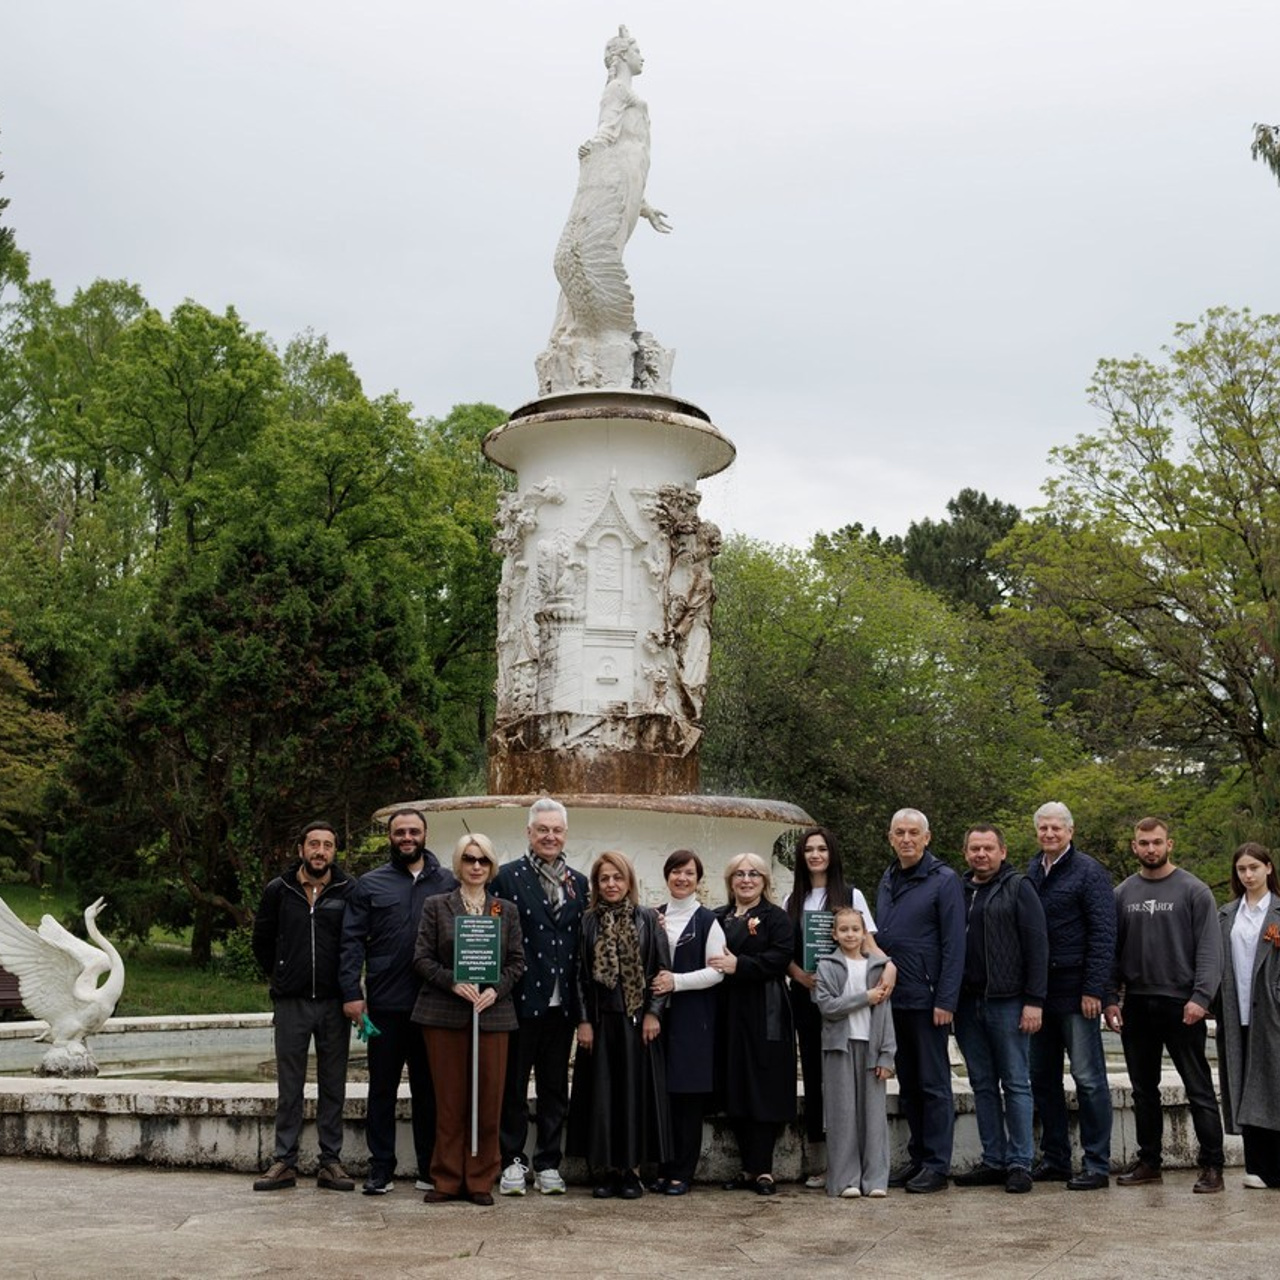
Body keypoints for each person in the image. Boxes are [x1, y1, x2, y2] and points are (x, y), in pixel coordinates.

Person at [538, 25, 673, 394]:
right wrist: (591, 147)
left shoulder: (628, 92)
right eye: (637, 50)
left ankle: (582, 323)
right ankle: (577, 327)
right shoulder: (616, 90)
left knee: (611, 251)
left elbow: (634, 153)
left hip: (630, 181)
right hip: (616, 176)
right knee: (600, 251)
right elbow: (607, 130)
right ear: (621, 55)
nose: (642, 56)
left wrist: (644, 207)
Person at [340, 808, 457, 1195]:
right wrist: (352, 994)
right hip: (386, 1005)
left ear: (426, 834)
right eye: (400, 832)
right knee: (382, 1090)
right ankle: (381, 1168)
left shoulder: (449, 882)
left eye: (414, 831)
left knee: (430, 1090)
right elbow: (351, 942)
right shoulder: (369, 885)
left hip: (435, 1006)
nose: (407, 837)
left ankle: (429, 1166)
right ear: (390, 837)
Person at [1103, 817, 1224, 1193]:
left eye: (1157, 842)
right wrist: (1110, 997)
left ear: (1169, 844)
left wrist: (1201, 998)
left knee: (1199, 1087)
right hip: (1137, 1002)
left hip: (1182, 1003)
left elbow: (1210, 949)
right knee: (1143, 1089)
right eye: (1143, 842)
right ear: (1133, 846)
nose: (1150, 848)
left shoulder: (1194, 890)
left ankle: (1212, 1166)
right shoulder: (1122, 893)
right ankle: (1149, 1162)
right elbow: (1111, 951)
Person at [411, 834, 525, 1206]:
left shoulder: (504, 910)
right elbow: (422, 958)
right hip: (444, 1014)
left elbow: (516, 962)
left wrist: (497, 989)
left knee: (488, 1100)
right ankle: (446, 1178)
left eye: (484, 861)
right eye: (469, 859)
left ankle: (479, 1179)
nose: (476, 866)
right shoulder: (436, 905)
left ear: (491, 868)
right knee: (448, 1100)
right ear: (458, 864)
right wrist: (452, 982)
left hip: (492, 1015)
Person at [250, 820, 356, 1192]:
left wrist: (351, 991)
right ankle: (284, 1161)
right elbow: (261, 941)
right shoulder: (278, 891)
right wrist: (282, 974)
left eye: (328, 845)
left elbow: (355, 943)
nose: (320, 851)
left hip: (333, 1003)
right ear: (301, 849)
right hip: (292, 1001)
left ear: (334, 852)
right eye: (314, 844)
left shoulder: (348, 889)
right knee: (289, 1085)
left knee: (333, 1085)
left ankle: (331, 1162)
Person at [493, 798, 589, 1197]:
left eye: (557, 830)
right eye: (543, 830)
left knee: (554, 1087)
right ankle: (512, 1161)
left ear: (565, 834)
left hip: (561, 1003)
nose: (550, 836)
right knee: (512, 1086)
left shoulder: (579, 883)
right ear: (529, 833)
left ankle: (549, 1162)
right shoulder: (507, 878)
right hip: (519, 1001)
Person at [567, 851, 672, 1199]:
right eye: (604, 879)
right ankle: (608, 1169)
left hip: (638, 1022)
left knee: (633, 1095)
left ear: (629, 881)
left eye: (618, 878)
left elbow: (660, 971)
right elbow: (579, 977)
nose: (611, 884)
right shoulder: (586, 922)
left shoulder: (647, 919)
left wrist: (654, 1013)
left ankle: (631, 1170)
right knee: (603, 1096)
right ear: (596, 884)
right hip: (599, 1022)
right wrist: (583, 1021)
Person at [952, 824, 1047, 1195]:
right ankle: (993, 1159)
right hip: (966, 1002)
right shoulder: (958, 890)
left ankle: (1020, 1162)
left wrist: (1034, 1001)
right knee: (982, 1083)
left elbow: (1038, 946)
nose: (981, 854)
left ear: (1002, 852)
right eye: (974, 848)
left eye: (988, 848)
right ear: (965, 853)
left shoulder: (1019, 887)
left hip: (1009, 1001)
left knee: (1017, 1082)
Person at [874, 808, 965, 1194]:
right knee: (909, 1084)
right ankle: (918, 1157)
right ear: (890, 837)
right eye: (900, 833)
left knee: (934, 1084)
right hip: (896, 998)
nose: (907, 839)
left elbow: (954, 945)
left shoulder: (944, 881)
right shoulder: (887, 878)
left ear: (927, 838)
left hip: (929, 1000)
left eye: (914, 833)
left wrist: (946, 999)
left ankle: (936, 1164)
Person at [784, 826, 880, 1189]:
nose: (815, 855)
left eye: (822, 849)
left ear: (832, 853)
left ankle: (856, 1162)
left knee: (849, 1079)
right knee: (814, 1075)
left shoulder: (851, 894)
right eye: (809, 849)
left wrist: (890, 969)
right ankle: (823, 1161)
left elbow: (869, 944)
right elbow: (784, 955)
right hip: (807, 998)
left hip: (848, 1000)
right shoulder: (792, 901)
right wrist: (800, 976)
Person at [1025, 801, 1115, 1190]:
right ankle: (1056, 1158)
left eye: (1056, 829)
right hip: (1040, 994)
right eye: (1043, 828)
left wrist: (1095, 988)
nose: (1049, 834)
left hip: (1078, 993)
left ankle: (1096, 1163)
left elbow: (1103, 934)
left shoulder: (1089, 872)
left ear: (1070, 832)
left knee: (1089, 1079)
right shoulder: (1031, 870)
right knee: (1041, 1078)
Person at [710, 852, 795, 1195]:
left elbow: (780, 957)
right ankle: (746, 1169)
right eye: (739, 874)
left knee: (764, 1084)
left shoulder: (776, 917)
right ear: (730, 881)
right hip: (728, 1010)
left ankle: (763, 1170)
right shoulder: (717, 916)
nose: (746, 880)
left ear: (765, 880)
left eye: (754, 874)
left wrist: (740, 965)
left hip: (765, 1009)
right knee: (736, 1084)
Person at [650, 850, 725, 1195]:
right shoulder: (653, 916)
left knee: (688, 1099)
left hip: (694, 1020)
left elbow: (717, 971)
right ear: (667, 876)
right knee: (660, 1095)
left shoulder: (708, 921)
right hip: (657, 1018)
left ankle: (683, 1171)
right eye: (676, 872)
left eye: (689, 873)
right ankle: (661, 1167)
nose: (682, 878)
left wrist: (676, 982)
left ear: (698, 880)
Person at [814, 907, 896, 1199]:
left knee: (873, 1117)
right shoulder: (826, 966)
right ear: (834, 934)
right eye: (844, 929)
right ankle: (845, 1179)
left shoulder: (877, 967)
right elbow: (828, 1007)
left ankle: (875, 1179)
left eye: (855, 929)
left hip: (871, 1047)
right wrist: (865, 997)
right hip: (839, 1048)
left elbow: (885, 1015)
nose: (850, 934)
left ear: (864, 933)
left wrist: (887, 1055)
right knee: (842, 1114)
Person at [1216, 842, 1280, 1189]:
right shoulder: (1227, 914)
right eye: (1242, 869)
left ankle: (1275, 1166)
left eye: (1254, 867)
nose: (1248, 874)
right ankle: (1257, 1165)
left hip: (1271, 1012)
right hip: (1235, 1008)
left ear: (1269, 868)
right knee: (1244, 1084)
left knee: (1273, 1084)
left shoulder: (1279, 913)